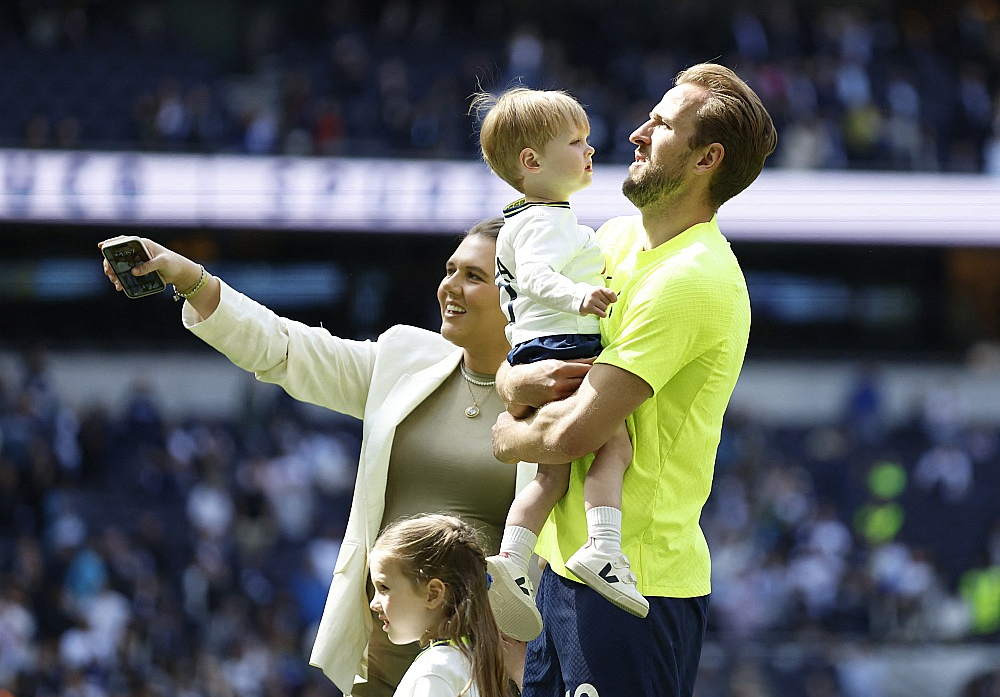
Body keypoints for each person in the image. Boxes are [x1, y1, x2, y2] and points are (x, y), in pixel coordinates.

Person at [99, 219, 532, 697]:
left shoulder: (556, 394)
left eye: (474, 276)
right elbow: (286, 351)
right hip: (386, 659)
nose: (450, 285)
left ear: (519, 292)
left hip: (497, 667)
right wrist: (190, 279)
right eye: (450, 270)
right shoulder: (405, 356)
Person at [491, 63, 778, 696]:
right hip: (565, 570)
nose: (636, 135)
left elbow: (572, 433)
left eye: (662, 124)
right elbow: (524, 357)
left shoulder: (694, 277)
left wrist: (506, 435)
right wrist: (514, 386)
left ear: (707, 159)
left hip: (638, 584)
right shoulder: (610, 241)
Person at [471, 86, 644, 640]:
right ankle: (604, 548)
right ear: (532, 162)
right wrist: (581, 297)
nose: (590, 150)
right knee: (614, 445)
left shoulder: (519, 221)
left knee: (549, 473)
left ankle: (513, 562)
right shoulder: (545, 220)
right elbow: (540, 279)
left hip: (531, 350)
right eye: (577, 141)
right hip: (563, 347)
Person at [369, 513, 512, 697]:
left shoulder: (433, 672)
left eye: (384, 588)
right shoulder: (471, 661)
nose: (374, 603)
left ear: (433, 594)